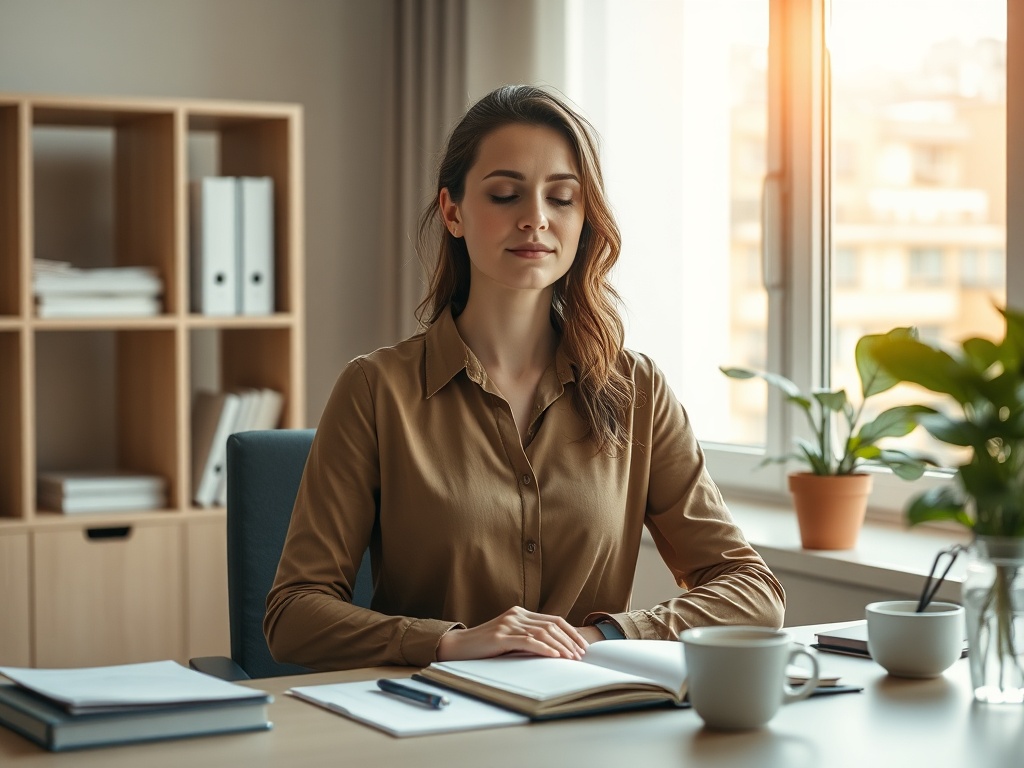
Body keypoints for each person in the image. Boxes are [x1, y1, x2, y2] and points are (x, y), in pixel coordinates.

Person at [264, 84, 785, 671]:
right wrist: (450, 641)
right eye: (506, 195)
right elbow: (294, 616)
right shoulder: (375, 390)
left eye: (562, 199)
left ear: (584, 220)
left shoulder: (637, 390)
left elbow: (752, 591)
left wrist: (606, 636)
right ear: (453, 212)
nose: (535, 218)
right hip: (434, 722)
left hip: (591, 715)